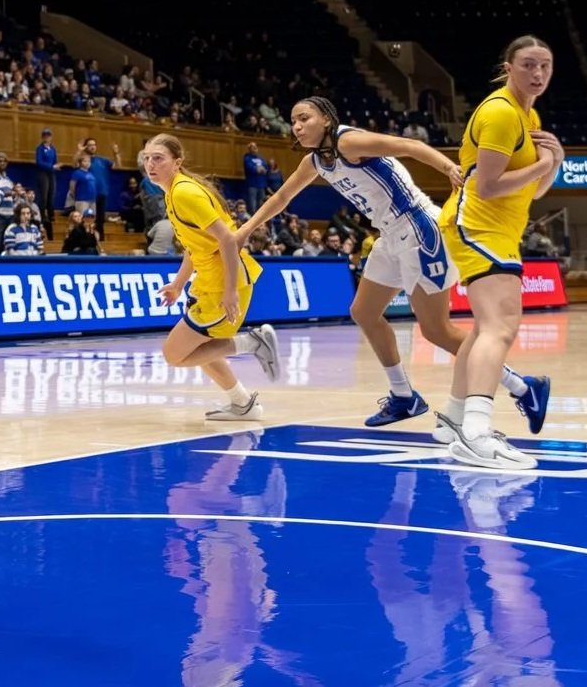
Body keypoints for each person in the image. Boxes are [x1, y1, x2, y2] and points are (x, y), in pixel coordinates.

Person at [238, 97, 548, 435]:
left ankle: (523, 387)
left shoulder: (349, 141)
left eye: (304, 118)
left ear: (326, 120)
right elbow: (281, 198)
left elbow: (409, 145)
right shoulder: (316, 161)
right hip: (389, 235)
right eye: (293, 121)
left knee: (436, 330)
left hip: (418, 228)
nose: (297, 126)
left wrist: (447, 168)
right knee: (364, 312)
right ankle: (404, 395)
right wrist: (244, 230)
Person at [439, 35, 562, 470]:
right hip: (478, 226)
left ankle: (454, 420)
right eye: (529, 64)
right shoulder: (499, 113)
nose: (538, 74)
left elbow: (533, 190)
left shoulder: (529, 115)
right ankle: (476, 431)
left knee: (482, 330)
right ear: (507, 67)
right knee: (500, 328)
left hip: (499, 230)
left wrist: (554, 163)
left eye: (545, 66)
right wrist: (544, 164)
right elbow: (487, 187)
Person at [138, 133, 280, 421]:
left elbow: (228, 240)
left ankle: (252, 342)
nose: (150, 164)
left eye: (158, 158)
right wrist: (178, 284)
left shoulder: (183, 193)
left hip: (222, 283)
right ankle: (242, 403)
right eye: (147, 158)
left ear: (177, 163)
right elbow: (198, 244)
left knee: (174, 354)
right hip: (210, 280)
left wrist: (229, 291)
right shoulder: (173, 191)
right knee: (198, 348)